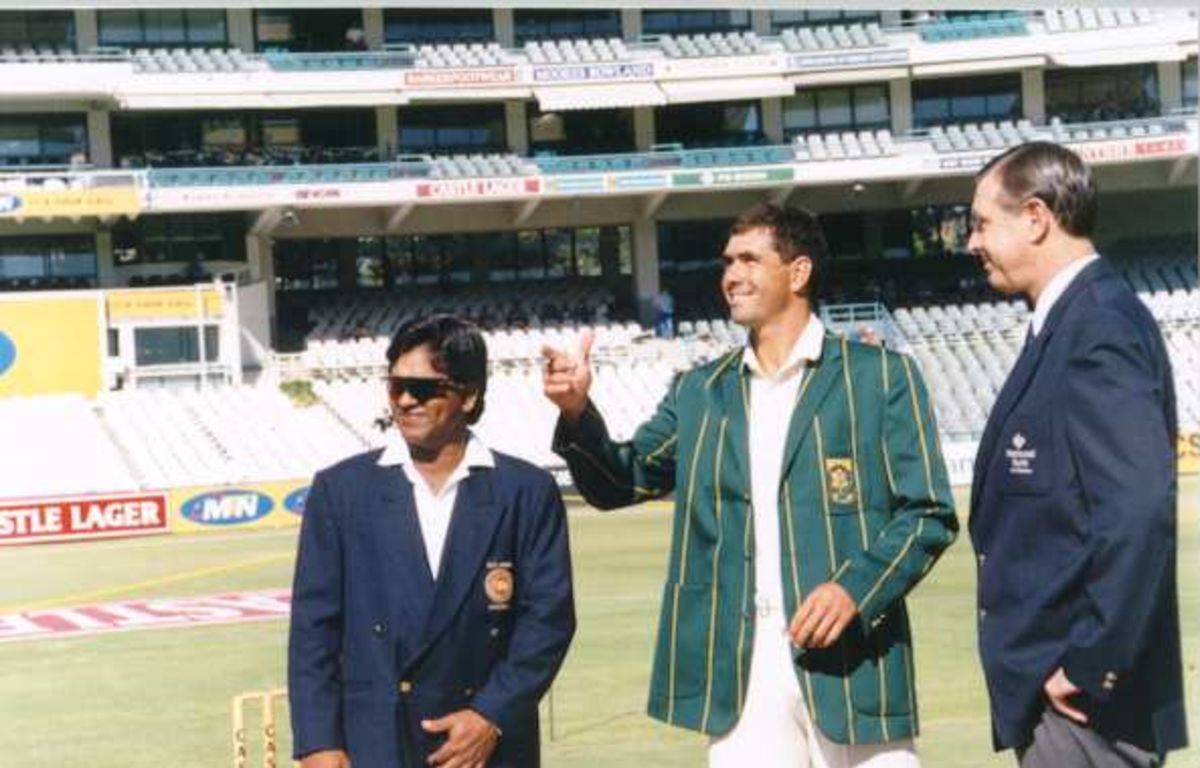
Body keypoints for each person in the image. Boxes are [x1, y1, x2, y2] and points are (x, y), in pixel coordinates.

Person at [542, 203, 957, 767]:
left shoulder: (880, 376)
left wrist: (853, 590)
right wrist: (575, 412)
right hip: (739, 669)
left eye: (749, 260)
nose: (730, 275)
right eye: (727, 262)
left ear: (799, 272)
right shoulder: (700, 391)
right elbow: (623, 479)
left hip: (854, 661)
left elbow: (928, 512)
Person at [966, 142, 1187, 766]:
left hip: (1084, 705)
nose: (971, 242)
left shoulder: (1099, 328)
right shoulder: (1068, 321)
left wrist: (1093, 662)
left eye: (982, 222)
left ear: (1035, 217)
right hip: (1059, 695)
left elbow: (1138, 508)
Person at [289, 315, 575, 768]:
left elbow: (548, 622)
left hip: (486, 748)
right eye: (395, 386)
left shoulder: (526, 491)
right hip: (374, 742)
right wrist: (318, 742)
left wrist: (490, 715)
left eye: (423, 389)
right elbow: (313, 630)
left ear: (469, 395)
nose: (404, 400)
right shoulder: (339, 491)